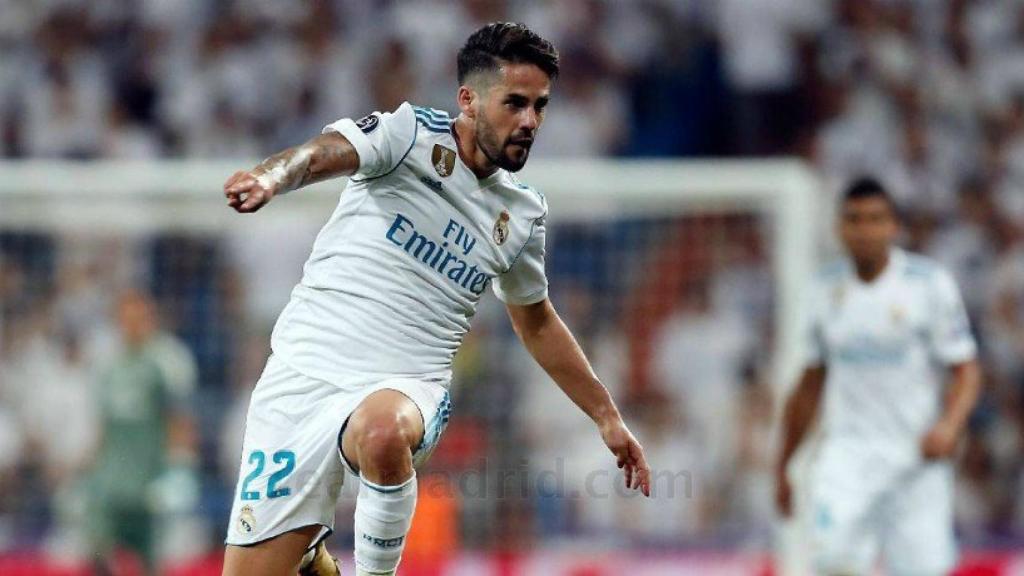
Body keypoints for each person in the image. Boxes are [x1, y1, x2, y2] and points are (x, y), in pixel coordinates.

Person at [220, 22, 651, 576]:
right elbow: (326, 151)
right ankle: (311, 558)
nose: (530, 121)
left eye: (540, 106)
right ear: (468, 100)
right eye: (515, 103)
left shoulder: (521, 215)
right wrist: (271, 176)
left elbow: (537, 322)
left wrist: (607, 417)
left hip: (408, 386)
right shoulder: (408, 136)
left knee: (381, 431)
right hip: (300, 381)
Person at [775, 178, 982, 575]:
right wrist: (784, 465)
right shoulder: (822, 289)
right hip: (847, 456)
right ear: (839, 228)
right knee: (834, 565)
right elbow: (808, 385)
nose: (865, 230)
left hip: (915, 458)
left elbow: (966, 369)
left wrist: (950, 426)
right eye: (854, 219)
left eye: (875, 219)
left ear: (893, 226)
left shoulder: (928, 284)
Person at [86, 290, 198, 575]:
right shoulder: (108, 364)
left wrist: (179, 467)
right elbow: (104, 424)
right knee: (98, 549)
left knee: (152, 560)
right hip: (112, 479)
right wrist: (92, 469)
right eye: (126, 319)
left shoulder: (168, 360)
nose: (132, 325)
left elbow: (180, 418)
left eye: (139, 318)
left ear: (150, 319)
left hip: (150, 478)